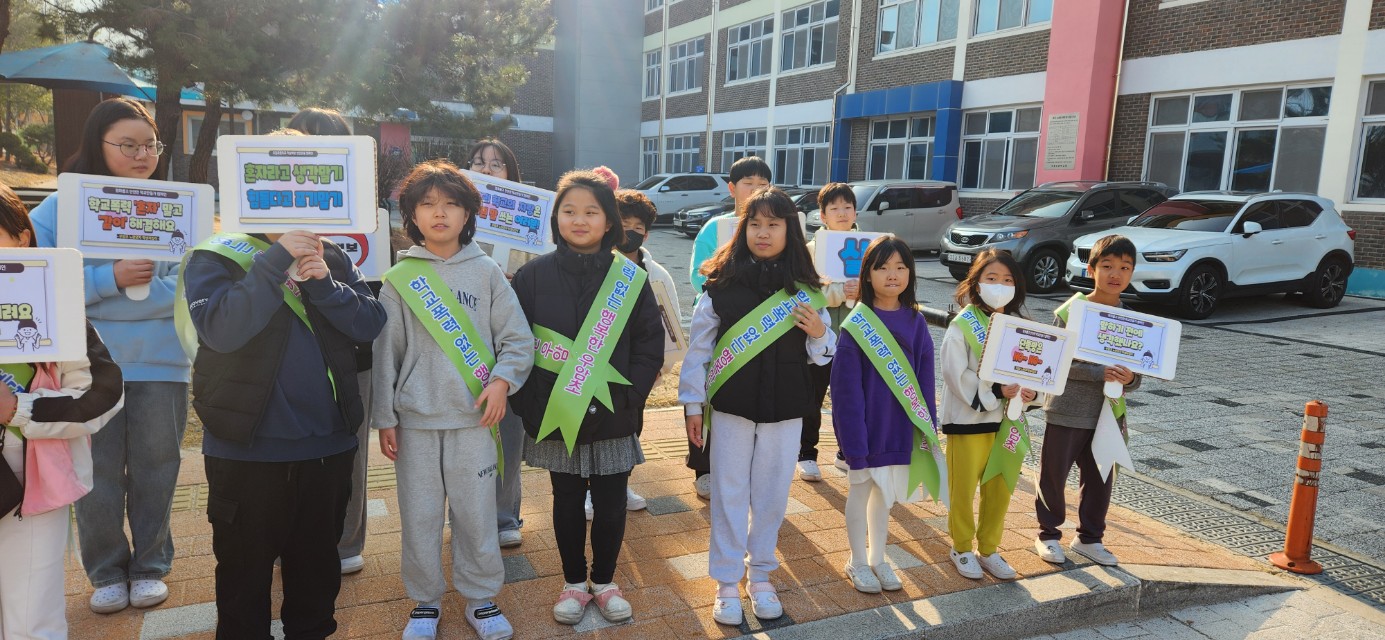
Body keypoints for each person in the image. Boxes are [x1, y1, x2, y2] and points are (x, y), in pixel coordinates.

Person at [182, 211, 385, 636]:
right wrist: (273, 262)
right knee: (242, 581)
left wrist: (326, 286)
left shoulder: (330, 255)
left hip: (327, 448)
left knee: (316, 580)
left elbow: (370, 323)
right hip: (245, 448)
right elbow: (220, 330)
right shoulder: (217, 255)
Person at [28, 97, 191, 613]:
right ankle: (104, 571)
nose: (143, 155)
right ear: (96, 144)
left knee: (158, 465)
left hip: (162, 363)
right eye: (128, 145)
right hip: (84, 367)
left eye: (150, 145)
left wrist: (99, 295)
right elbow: (39, 284)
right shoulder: (58, 208)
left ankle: (150, 565)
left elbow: (189, 286)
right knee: (92, 472)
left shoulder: (174, 204)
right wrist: (110, 278)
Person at [372, 161, 532, 640]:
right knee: (418, 515)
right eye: (427, 204)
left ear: (468, 214)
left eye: (450, 204)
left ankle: (481, 598)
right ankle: (424, 602)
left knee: (476, 512)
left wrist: (502, 382)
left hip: (474, 422)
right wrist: (385, 417)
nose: (439, 213)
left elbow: (518, 340)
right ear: (411, 216)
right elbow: (387, 356)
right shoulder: (399, 280)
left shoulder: (486, 273)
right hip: (416, 422)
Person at [510, 170, 663, 625]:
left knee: (614, 504)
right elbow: (515, 344)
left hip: (615, 412)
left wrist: (629, 400)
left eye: (591, 212)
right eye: (569, 211)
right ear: (556, 217)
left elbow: (649, 345)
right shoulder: (531, 277)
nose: (579, 220)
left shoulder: (630, 278)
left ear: (609, 220)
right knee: (566, 501)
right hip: (555, 411)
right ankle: (574, 583)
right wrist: (530, 405)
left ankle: (606, 580)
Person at [680, 187, 835, 626]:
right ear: (742, 227)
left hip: (786, 409)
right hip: (731, 407)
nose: (763, 233)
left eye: (774, 224)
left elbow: (823, 355)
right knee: (729, 493)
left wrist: (821, 332)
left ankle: (761, 576)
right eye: (755, 223)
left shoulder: (807, 291)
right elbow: (699, 351)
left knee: (770, 496)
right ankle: (727, 582)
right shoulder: (720, 286)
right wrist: (693, 405)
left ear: (791, 229)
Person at [0, 185, 126, 640]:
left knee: (31, 615)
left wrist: (18, 408)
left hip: (27, 480)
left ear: (21, 238)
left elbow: (103, 394)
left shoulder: (57, 304)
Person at [287, 106, 375, 576]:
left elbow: (376, 300)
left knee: (351, 452)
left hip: (353, 355)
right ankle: (290, 539)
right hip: (286, 361)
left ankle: (345, 542)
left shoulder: (367, 213)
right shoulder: (257, 227)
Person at [830, 236, 943, 594]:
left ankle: (879, 558)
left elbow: (926, 380)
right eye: (882, 267)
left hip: (900, 430)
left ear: (911, 272)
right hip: (865, 430)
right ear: (867, 274)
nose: (892, 275)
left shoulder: (916, 321)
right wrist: (853, 444)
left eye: (900, 266)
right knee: (861, 490)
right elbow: (846, 394)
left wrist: (927, 428)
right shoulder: (856, 323)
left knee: (886, 496)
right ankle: (857, 561)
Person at [1035, 235, 1142, 567]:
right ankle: (1048, 535)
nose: (1116, 274)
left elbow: (1139, 371)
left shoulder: (1132, 319)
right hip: (1068, 409)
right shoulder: (1072, 311)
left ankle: (1089, 539)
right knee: (1053, 475)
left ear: (1132, 272)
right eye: (1107, 266)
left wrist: (1131, 379)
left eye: (1125, 267)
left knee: (1101, 479)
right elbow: (1056, 359)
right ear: (1092, 269)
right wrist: (1100, 373)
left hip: (1109, 414)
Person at [941, 248, 1040, 581]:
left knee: (1000, 487)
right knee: (963, 487)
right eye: (992, 278)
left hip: (1008, 422)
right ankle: (961, 547)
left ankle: (989, 548)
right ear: (976, 282)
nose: (1000, 285)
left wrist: (1032, 393)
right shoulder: (963, 324)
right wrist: (996, 392)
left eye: (1008, 279)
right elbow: (956, 374)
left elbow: (1040, 373)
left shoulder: (1021, 326)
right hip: (969, 422)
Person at [684, 156, 772, 499]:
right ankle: (703, 467)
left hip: (762, 326)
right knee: (703, 390)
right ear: (733, 188)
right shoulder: (715, 229)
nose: (756, 190)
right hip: (719, 319)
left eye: (763, 184)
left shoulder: (775, 227)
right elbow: (697, 276)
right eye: (749, 183)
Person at [465, 138, 529, 549]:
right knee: (465, 439)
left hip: (509, 350)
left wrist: (514, 286)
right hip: (462, 348)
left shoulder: (530, 229)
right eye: (478, 163)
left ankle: (505, 516)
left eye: (497, 163)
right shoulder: (454, 226)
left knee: (508, 434)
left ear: (512, 175)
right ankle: (467, 516)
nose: (488, 170)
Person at [800, 182, 861, 481]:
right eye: (833, 208)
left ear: (855, 211)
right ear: (822, 215)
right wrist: (839, 292)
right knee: (812, 395)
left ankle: (845, 452)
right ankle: (807, 454)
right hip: (819, 335)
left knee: (849, 397)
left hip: (855, 337)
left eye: (847, 207)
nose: (841, 213)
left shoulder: (869, 246)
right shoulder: (812, 249)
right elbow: (807, 293)